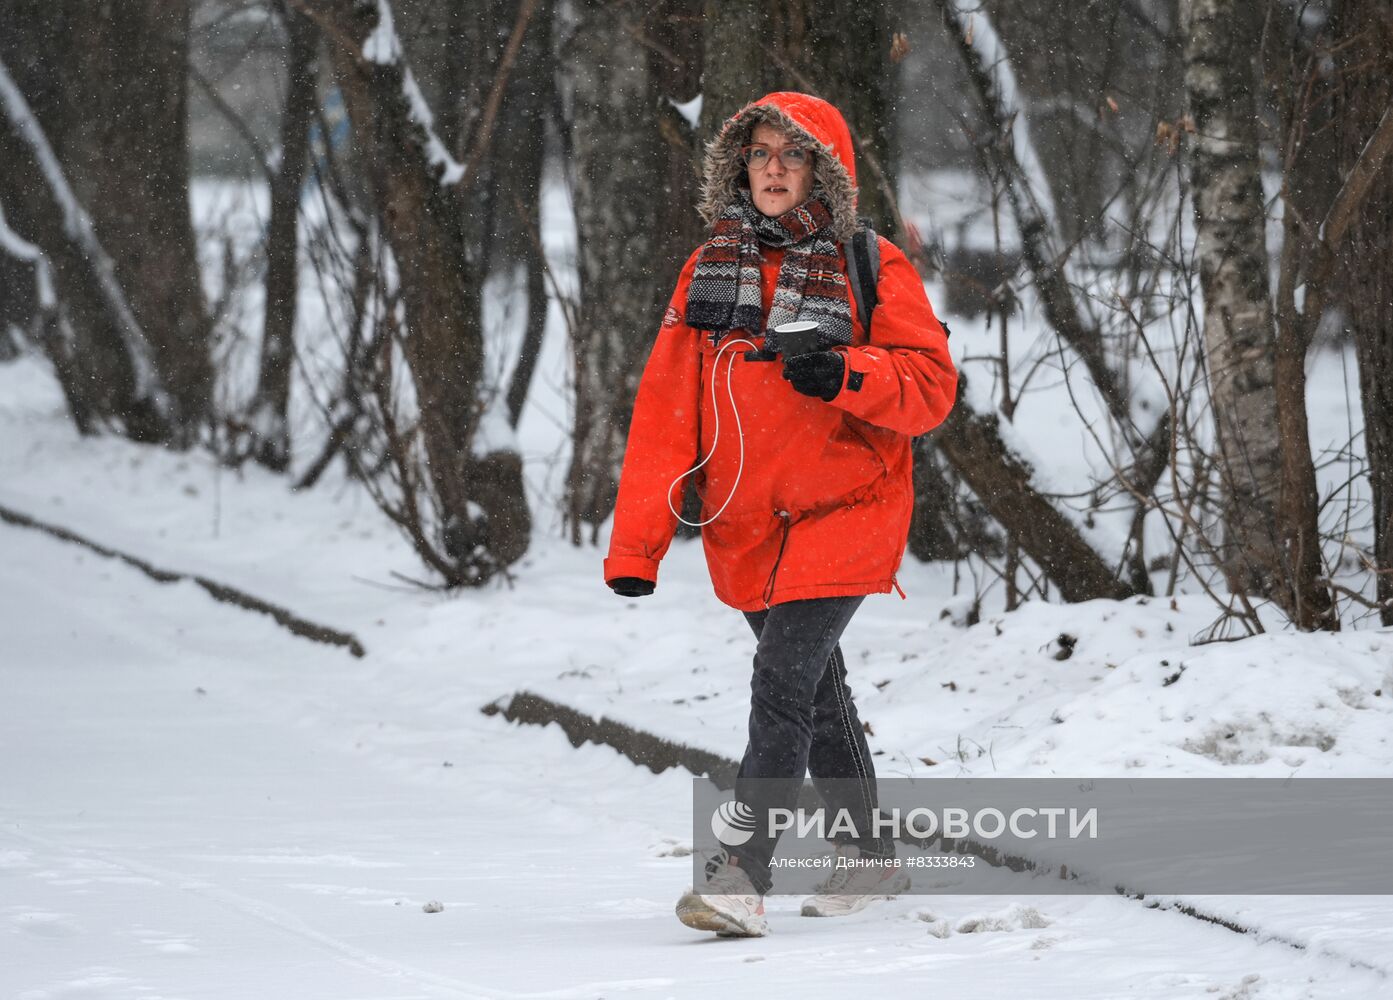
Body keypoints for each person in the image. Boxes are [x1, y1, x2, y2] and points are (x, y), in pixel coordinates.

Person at [602, 92, 957, 937]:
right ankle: (869, 855)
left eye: (790, 156)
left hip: (847, 507)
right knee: (816, 692)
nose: (771, 168)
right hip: (746, 523)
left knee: (782, 683)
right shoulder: (708, 270)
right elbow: (665, 412)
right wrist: (638, 543)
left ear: (820, 172)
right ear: (738, 164)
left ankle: (739, 877)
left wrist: (842, 373)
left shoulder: (872, 265)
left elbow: (931, 390)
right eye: (759, 153)